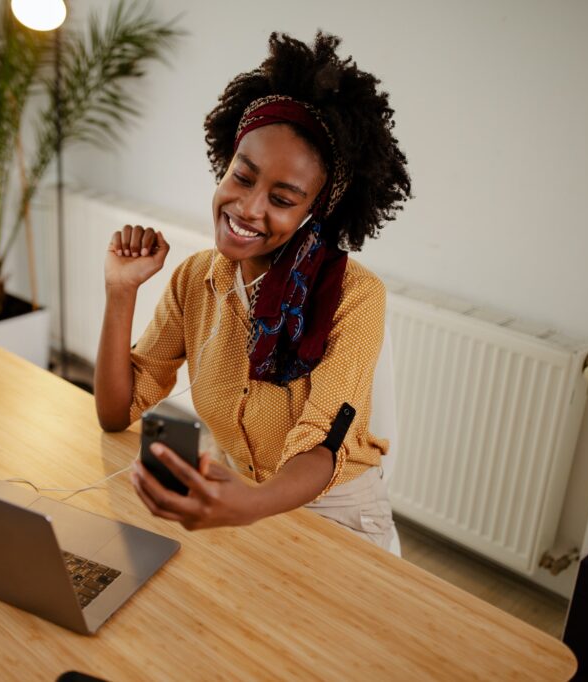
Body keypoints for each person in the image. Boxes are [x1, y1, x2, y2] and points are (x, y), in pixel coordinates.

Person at [93, 32, 411, 551]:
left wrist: (247, 505)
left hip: (337, 513)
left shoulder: (356, 296)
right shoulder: (196, 279)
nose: (248, 207)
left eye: (282, 199)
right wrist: (119, 292)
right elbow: (116, 411)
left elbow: (323, 447)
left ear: (315, 212)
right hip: (238, 498)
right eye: (242, 177)